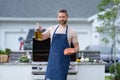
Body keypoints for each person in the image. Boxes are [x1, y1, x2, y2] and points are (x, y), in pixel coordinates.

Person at [37, 9, 79, 80]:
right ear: (57, 17)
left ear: (67, 17)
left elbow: (77, 48)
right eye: (60, 17)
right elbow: (39, 38)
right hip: (52, 62)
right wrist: (38, 31)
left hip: (63, 63)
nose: (61, 19)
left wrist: (72, 50)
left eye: (63, 17)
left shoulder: (72, 32)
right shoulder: (52, 29)